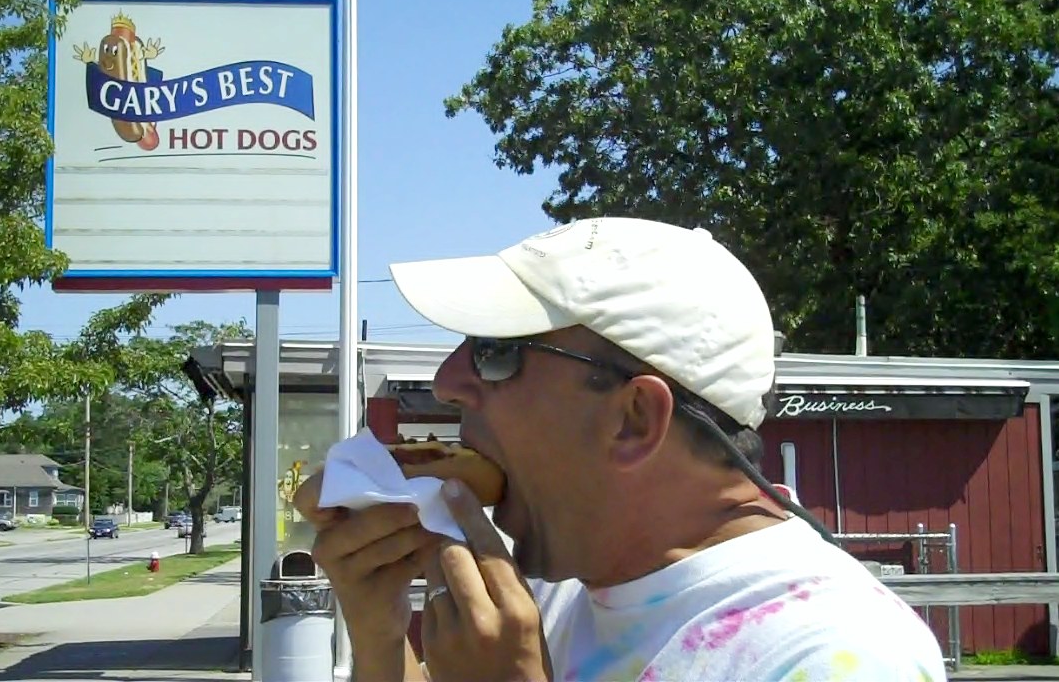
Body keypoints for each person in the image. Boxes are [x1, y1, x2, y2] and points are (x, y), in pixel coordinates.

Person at [296, 217, 947, 681]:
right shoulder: (561, 583)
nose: (447, 380)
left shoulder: (834, 655)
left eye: (496, 354)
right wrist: (379, 641)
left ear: (635, 419)